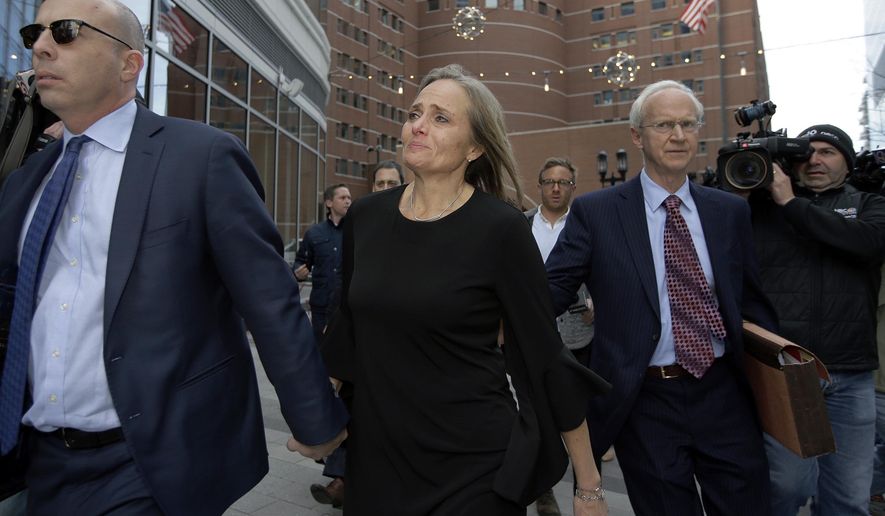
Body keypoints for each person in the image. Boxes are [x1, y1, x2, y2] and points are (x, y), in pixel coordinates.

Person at [0, 1, 347, 514]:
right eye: (35, 31)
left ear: (129, 64)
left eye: (66, 32)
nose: (41, 45)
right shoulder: (29, 179)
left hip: (149, 463)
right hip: (43, 461)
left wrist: (315, 418)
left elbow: (268, 299)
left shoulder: (199, 157)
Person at [321, 63, 610, 515]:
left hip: (474, 468)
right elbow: (349, 326)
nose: (418, 125)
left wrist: (588, 483)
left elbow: (544, 355)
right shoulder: (366, 217)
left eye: (440, 118)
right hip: (377, 463)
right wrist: (316, 412)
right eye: (415, 113)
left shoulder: (501, 229)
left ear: (475, 146)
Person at [546, 80, 778, 516]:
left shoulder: (728, 212)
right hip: (645, 400)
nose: (678, 135)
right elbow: (548, 293)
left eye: (688, 124)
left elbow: (753, 304)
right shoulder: (597, 213)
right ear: (637, 136)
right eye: (664, 125)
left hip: (723, 394)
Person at [747, 124, 885, 515]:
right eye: (807, 152)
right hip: (788, 371)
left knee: (849, 498)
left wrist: (792, 204)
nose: (815, 159)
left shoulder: (870, 206)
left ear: (847, 161)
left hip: (852, 374)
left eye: (828, 151)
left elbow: (868, 243)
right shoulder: (763, 210)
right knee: (788, 486)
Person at [524, 157, 596, 516]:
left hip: (575, 333)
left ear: (572, 187)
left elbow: (603, 269)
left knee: (571, 414)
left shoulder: (586, 224)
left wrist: (597, 301)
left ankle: (584, 484)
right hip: (529, 333)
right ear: (539, 185)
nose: (555, 187)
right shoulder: (520, 225)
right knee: (535, 416)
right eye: (549, 181)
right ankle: (543, 489)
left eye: (563, 182)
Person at [293, 184, 351, 341]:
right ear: (329, 203)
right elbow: (300, 261)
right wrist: (298, 272)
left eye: (349, 198)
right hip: (321, 306)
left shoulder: (355, 231)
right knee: (321, 352)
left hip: (347, 306)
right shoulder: (314, 233)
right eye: (342, 197)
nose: (347, 201)